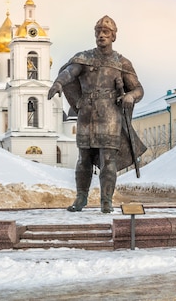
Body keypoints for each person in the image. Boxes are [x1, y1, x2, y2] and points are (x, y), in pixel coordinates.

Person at [47, 15, 144, 213]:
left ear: (113, 37)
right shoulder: (84, 58)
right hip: (86, 113)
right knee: (83, 158)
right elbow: (70, 73)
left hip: (110, 115)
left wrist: (130, 96)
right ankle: (81, 198)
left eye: (106, 32)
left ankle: (106, 201)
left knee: (108, 158)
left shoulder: (121, 62)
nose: (101, 35)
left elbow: (138, 89)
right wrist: (58, 82)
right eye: (98, 32)